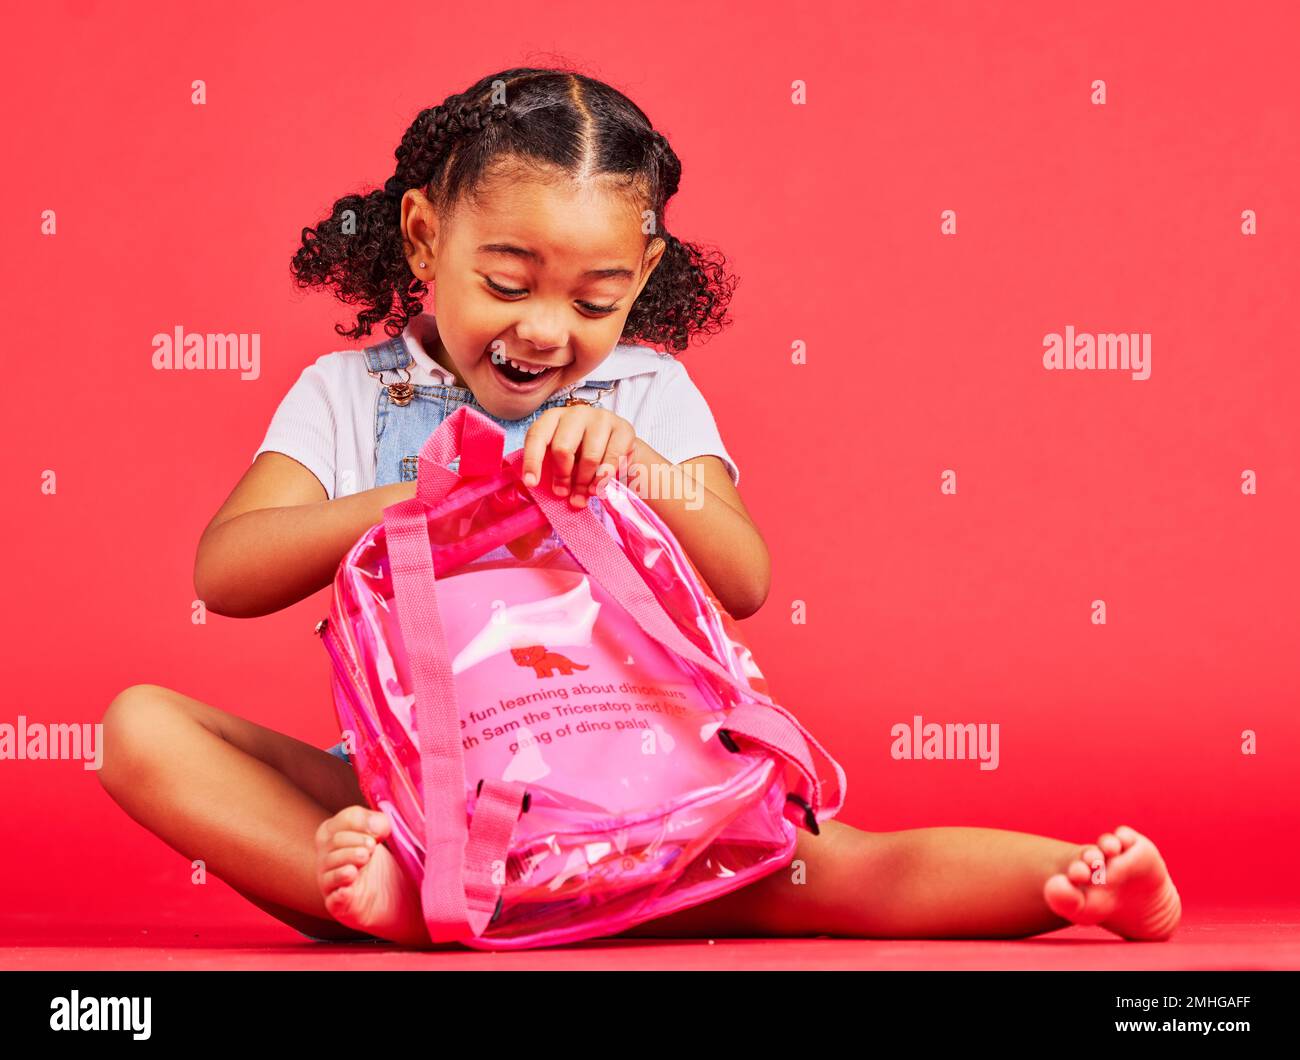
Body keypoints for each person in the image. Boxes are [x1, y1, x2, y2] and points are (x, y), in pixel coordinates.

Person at [97, 66, 1180, 948]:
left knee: (847, 868)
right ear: (425, 240)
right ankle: (425, 894)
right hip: (439, 794)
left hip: (657, 794)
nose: (544, 332)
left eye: (595, 299)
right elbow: (226, 571)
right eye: (508, 284)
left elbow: (746, 580)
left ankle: (1073, 885)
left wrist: (635, 466)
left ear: (643, 273)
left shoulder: (645, 391)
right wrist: (420, 494)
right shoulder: (355, 393)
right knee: (140, 728)